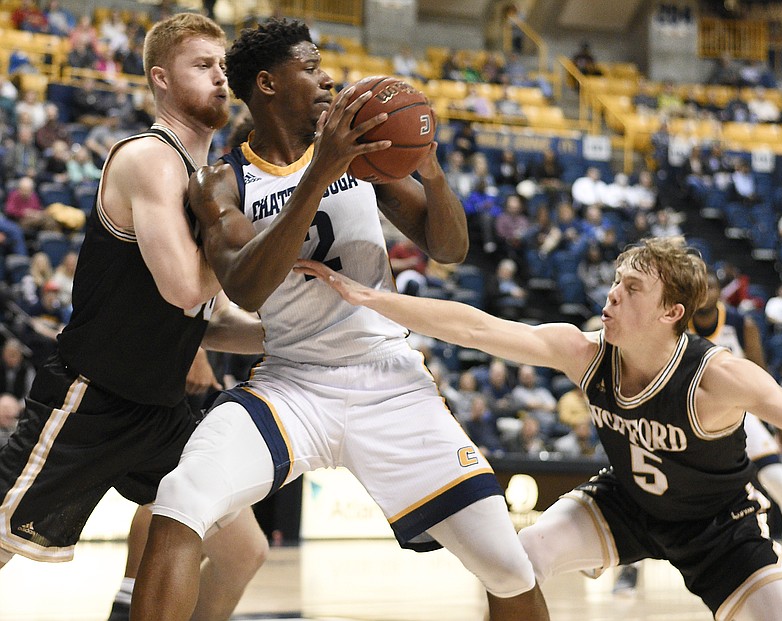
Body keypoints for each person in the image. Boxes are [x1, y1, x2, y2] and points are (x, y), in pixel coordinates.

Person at [131, 18, 549, 621]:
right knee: (180, 498)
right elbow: (246, 287)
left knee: (508, 567)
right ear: (268, 84)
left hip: (390, 380)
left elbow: (449, 246)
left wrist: (429, 171)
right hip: (290, 386)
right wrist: (320, 173)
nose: (327, 77)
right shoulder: (221, 180)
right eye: (310, 66)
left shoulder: (365, 161)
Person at [296, 235, 782, 620]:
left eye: (633, 287)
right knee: (516, 562)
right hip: (626, 504)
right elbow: (476, 327)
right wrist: (371, 299)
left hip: (720, 528)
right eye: (616, 280)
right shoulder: (584, 352)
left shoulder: (716, 379)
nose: (613, 293)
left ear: (672, 312)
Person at [0, 13, 270, 621]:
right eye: (203, 66)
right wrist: (250, 249)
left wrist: (292, 332)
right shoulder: (150, 158)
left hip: (161, 409)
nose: (222, 78)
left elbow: (202, 315)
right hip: (89, 398)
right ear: (161, 79)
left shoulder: (207, 178)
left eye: (224, 67)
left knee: (243, 552)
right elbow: (182, 287)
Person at [613, 267, 782, 593]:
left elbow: (761, 377)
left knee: (780, 482)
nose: (707, 291)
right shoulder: (675, 325)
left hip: (739, 411)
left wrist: (779, 428)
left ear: (718, 291)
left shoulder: (742, 324)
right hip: (687, 414)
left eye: (712, 285)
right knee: (653, 492)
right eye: (701, 287)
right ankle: (629, 570)